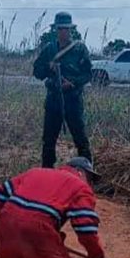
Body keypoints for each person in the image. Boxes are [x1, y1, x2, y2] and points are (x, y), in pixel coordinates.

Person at [32, 12, 93, 168]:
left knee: (81, 140)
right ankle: (47, 174)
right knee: (48, 141)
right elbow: (37, 72)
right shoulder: (50, 49)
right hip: (53, 100)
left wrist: (73, 83)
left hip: (73, 100)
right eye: (60, 29)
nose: (63, 32)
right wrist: (48, 67)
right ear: (56, 30)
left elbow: (88, 74)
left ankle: (87, 174)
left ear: (71, 29)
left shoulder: (79, 49)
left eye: (66, 28)